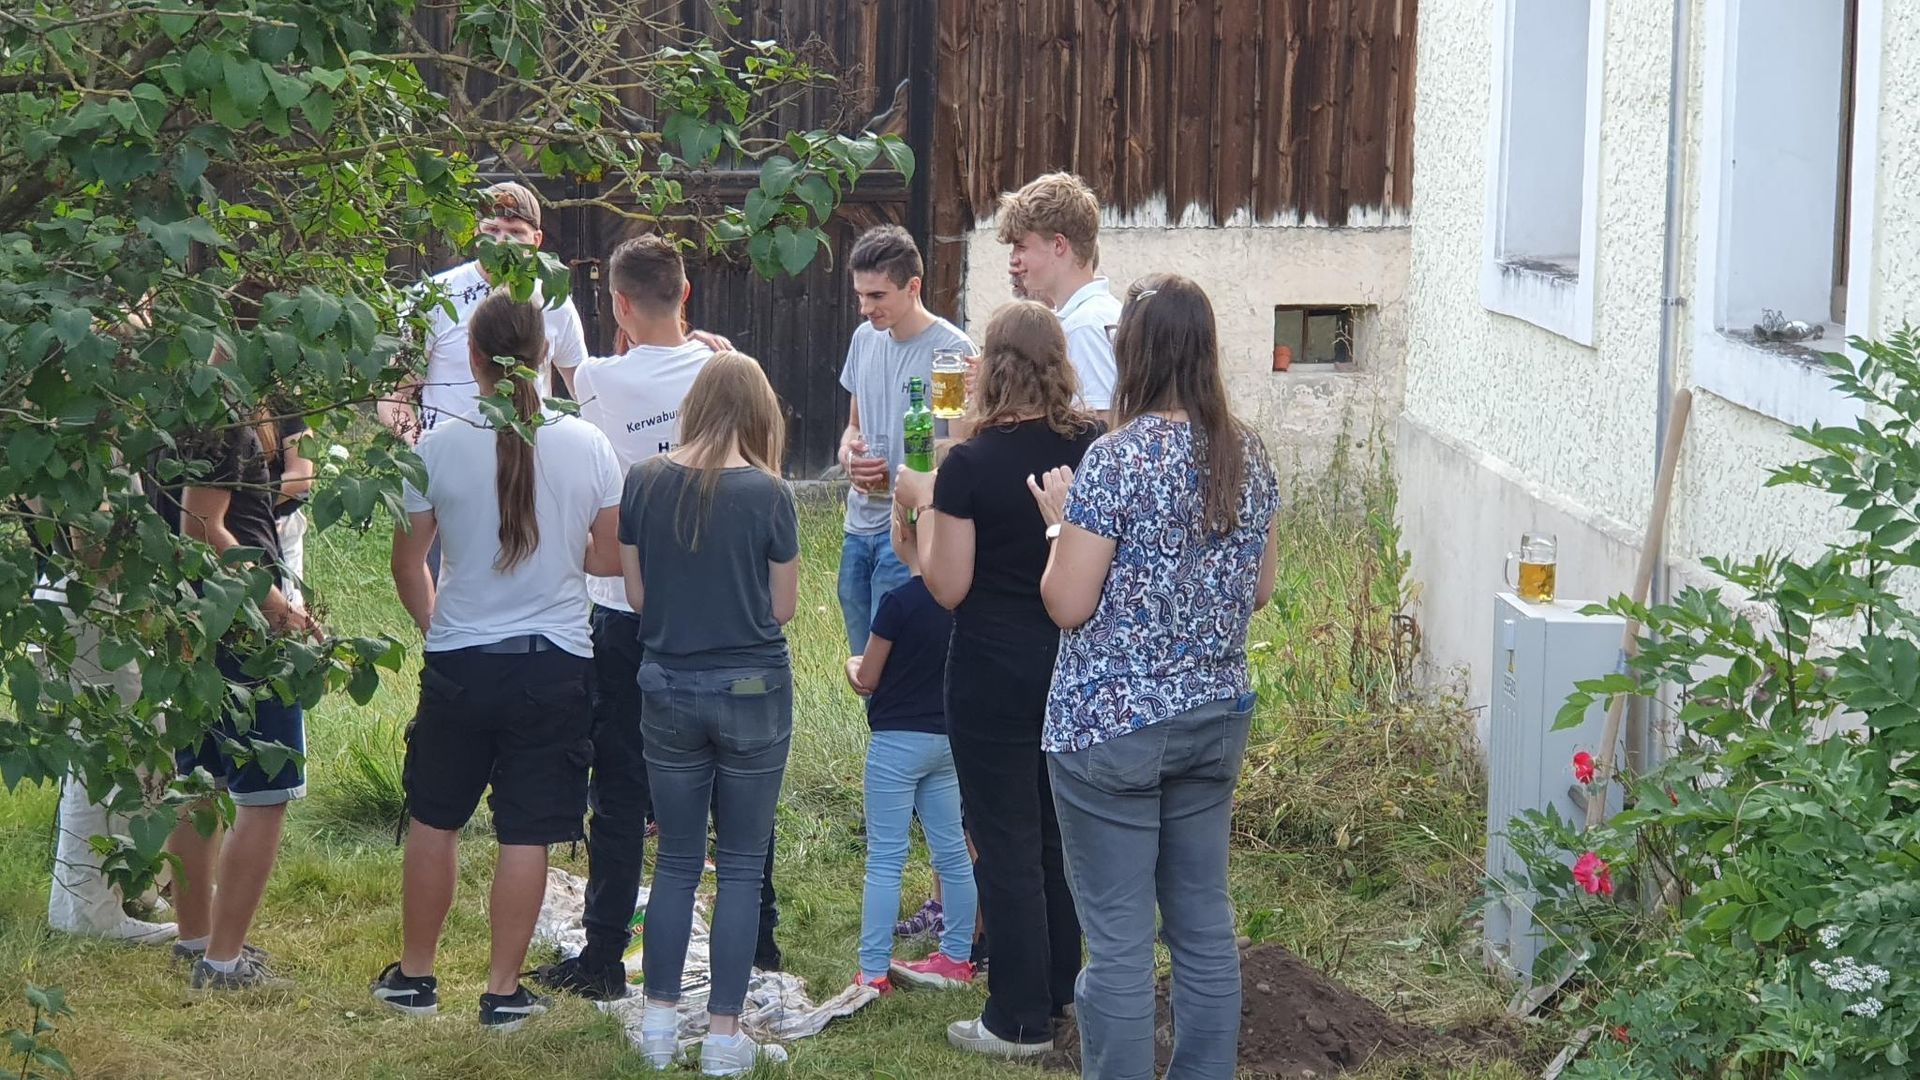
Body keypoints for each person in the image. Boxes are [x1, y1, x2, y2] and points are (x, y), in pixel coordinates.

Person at [1030, 275, 1280, 1080]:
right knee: (1204, 927)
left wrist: (1059, 528)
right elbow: (1261, 589)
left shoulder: (1115, 459)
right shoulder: (1247, 452)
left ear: (1133, 353)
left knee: (1120, 943)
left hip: (1111, 730)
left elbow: (1068, 603)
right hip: (1213, 716)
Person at [372, 290, 624, 1032]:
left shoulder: (436, 448)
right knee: (526, 831)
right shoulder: (588, 445)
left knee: (435, 817)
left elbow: (407, 564)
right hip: (554, 664)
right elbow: (608, 557)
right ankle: (503, 991)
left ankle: (415, 977)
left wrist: (438, 628)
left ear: (472, 358)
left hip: (462, 660)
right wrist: (561, 550)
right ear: (545, 356)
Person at [892, 301, 1101, 1059]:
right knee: (1056, 838)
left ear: (992, 367)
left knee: (1004, 840)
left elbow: (947, 586)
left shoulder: (970, 464)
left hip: (991, 669)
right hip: (1074, 664)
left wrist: (921, 503)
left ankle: (1015, 1018)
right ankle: (1061, 995)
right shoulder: (1093, 444)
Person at [532, 234, 717, 1001]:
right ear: (687, 293)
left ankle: (604, 955)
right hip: (712, 604)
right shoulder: (723, 371)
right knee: (724, 777)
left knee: (618, 788)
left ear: (618, 305)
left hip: (620, 605)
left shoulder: (601, 380)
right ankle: (761, 940)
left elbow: (556, 379)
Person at [620, 353, 798, 1075]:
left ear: (695, 406)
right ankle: (725, 1038)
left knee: (676, 861)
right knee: (743, 865)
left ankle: (658, 1028)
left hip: (666, 686)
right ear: (760, 412)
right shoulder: (771, 493)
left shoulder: (643, 480)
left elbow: (637, 597)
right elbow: (782, 608)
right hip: (753, 690)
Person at [166, 371, 322, 991]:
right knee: (266, 790)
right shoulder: (223, 411)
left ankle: (196, 939)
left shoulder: (179, 393)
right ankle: (223, 961)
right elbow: (202, 526)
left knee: (198, 781)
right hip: (240, 619)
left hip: (192, 614)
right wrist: (278, 608)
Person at [844, 494, 977, 995]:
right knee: (952, 852)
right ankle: (957, 957)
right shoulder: (961, 600)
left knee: (885, 857)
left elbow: (869, 677)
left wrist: (851, 665)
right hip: (947, 741)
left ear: (902, 532)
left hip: (896, 745)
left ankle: (874, 970)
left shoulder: (898, 602)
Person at [835, 224, 973, 655]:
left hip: (911, 530)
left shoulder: (951, 352)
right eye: (860, 295)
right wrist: (848, 457)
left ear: (913, 287)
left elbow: (962, 450)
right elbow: (853, 426)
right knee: (862, 664)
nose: (865, 309)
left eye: (877, 296)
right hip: (858, 524)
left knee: (895, 660)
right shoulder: (864, 340)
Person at [377, 182, 590, 445]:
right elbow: (394, 396)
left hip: (530, 454)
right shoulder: (432, 297)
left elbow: (584, 393)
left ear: (536, 241)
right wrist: (425, 448)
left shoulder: (554, 303)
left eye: (516, 232)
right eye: (492, 230)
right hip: (453, 452)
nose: (502, 242)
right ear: (477, 233)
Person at [997, 173, 1121, 415]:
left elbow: (1102, 424)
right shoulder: (1092, 315)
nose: (1013, 260)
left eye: (1021, 246)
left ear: (1058, 245)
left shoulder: (1084, 327)